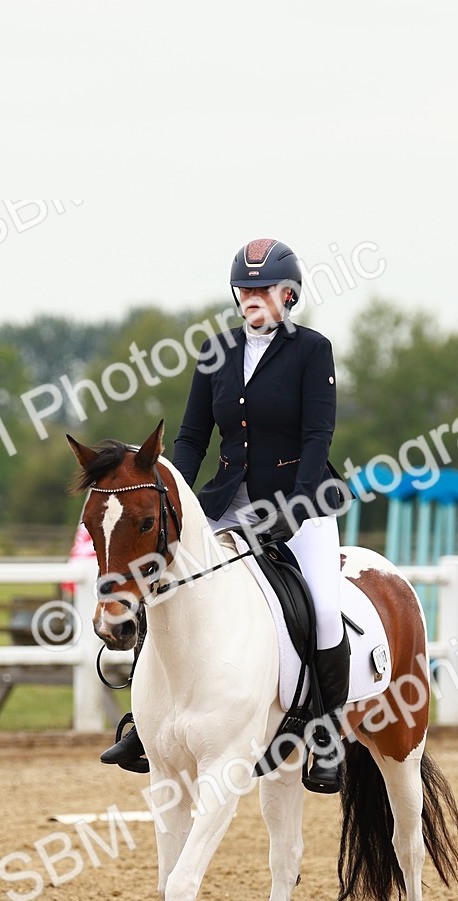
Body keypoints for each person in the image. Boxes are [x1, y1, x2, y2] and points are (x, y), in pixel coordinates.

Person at [101, 237, 350, 792]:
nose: (251, 298)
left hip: (301, 505)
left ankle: (327, 736)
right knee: (162, 585)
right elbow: (192, 437)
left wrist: (297, 505)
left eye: (264, 289)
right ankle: (144, 723)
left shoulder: (313, 350)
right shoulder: (216, 351)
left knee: (325, 609)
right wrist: (172, 497)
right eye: (244, 289)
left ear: (289, 295)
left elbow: (318, 436)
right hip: (228, 503)